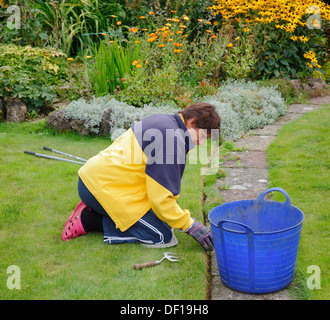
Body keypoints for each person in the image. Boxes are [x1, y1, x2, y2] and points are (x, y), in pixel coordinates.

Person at [61, 102, 221, 251]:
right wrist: (190, 225)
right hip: (100, 188)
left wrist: (175, 218)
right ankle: (87, 219)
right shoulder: (172, 141)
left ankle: (97, 208)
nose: (200, 144)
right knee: (162, 237)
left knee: (167, 222)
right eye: (202, 137)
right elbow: (161, 198)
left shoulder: (165, 120)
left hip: (98, 180)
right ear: (192, 123)